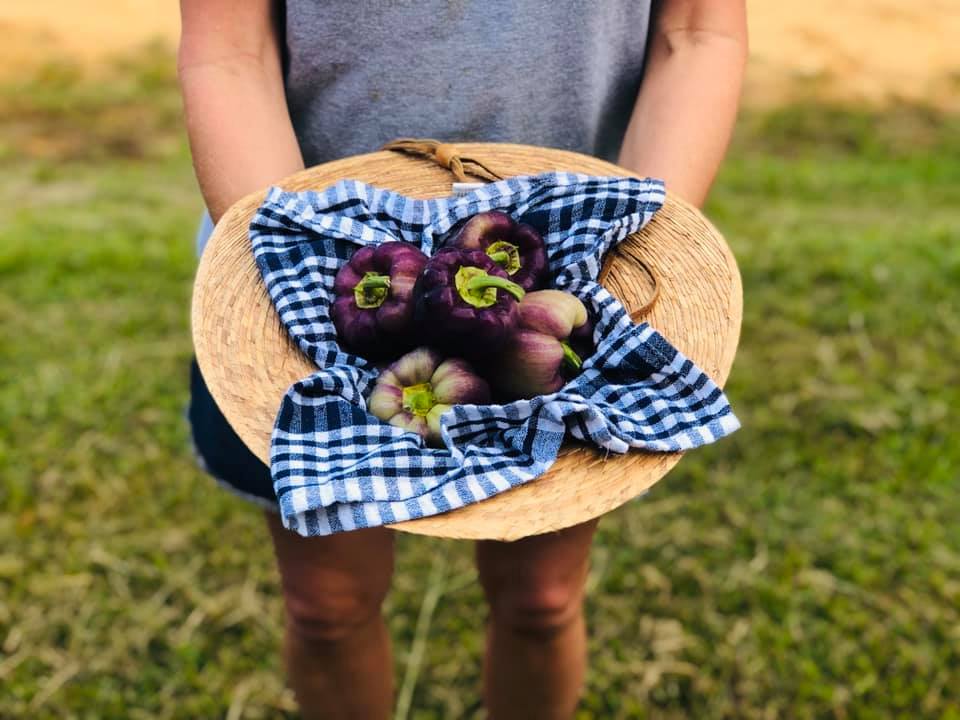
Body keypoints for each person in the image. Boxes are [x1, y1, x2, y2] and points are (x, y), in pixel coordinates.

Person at [178, 1, 747, 717]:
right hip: (309, 268)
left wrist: (623, 245)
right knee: (327, 604)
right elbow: (231, 52)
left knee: (539, 598)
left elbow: (696, 33)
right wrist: (299, 254)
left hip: (566, 273)